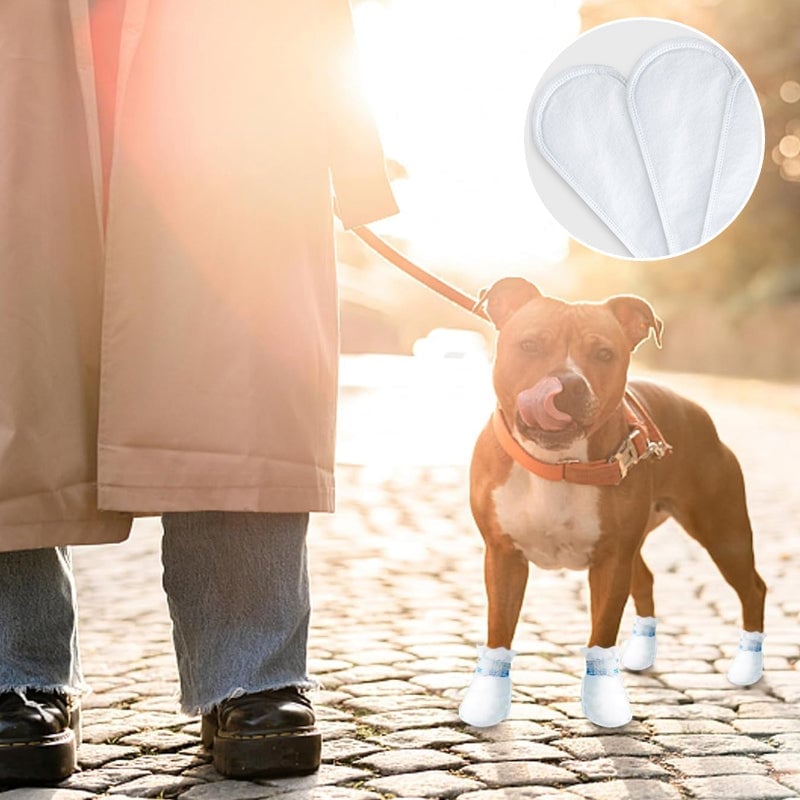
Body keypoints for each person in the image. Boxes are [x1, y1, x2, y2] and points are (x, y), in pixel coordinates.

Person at [0, 0, 397, 784]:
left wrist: (353, 159)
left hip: (230, 88)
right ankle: (15, 667)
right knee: (15, 381)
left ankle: (252, 672)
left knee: (234, 384)